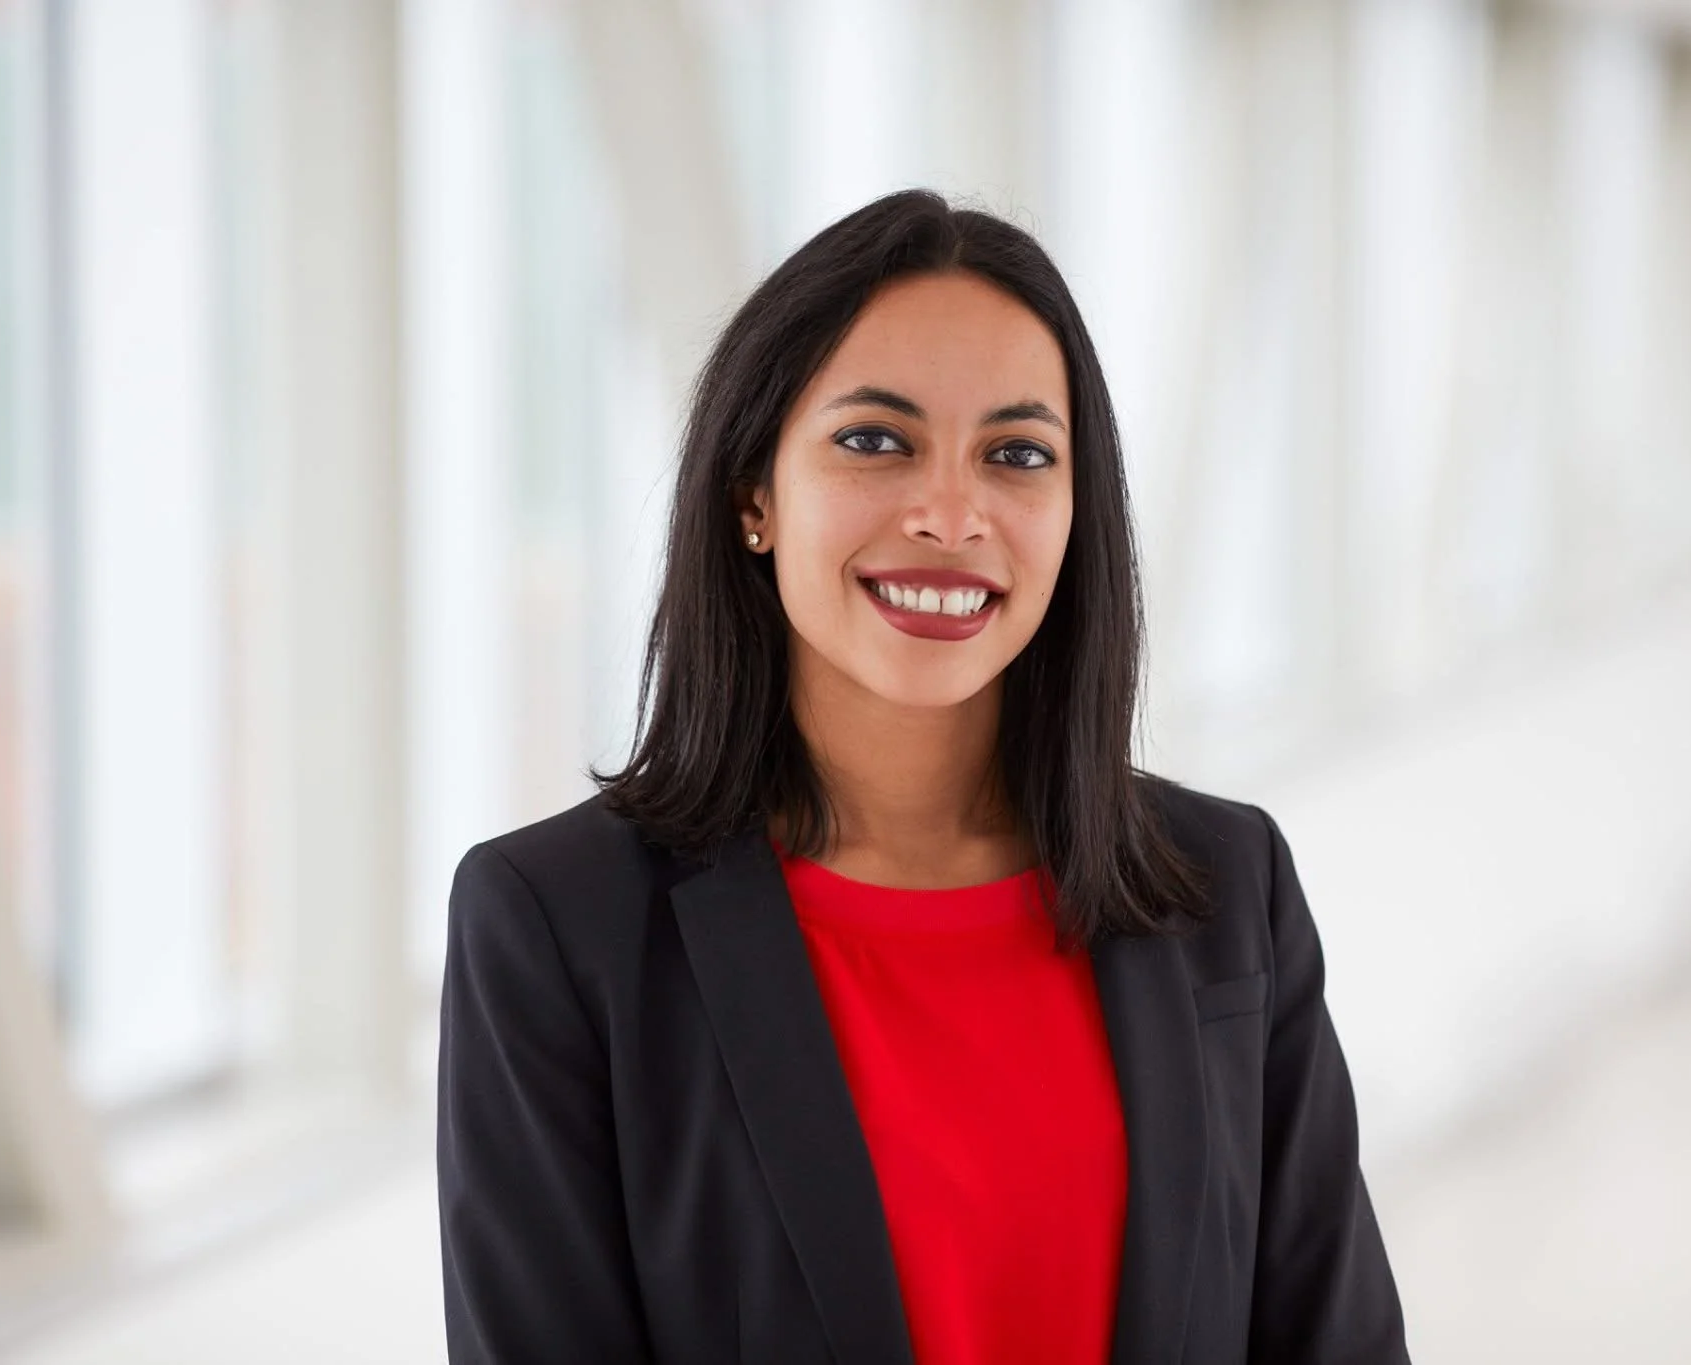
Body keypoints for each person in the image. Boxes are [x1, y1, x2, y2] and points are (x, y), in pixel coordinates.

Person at [436, 188, 1410, 1364]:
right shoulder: (559, 925)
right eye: (873, 441)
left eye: (1016, 454)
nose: (951, 515)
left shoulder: (1222, 886)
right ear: (753, 495)